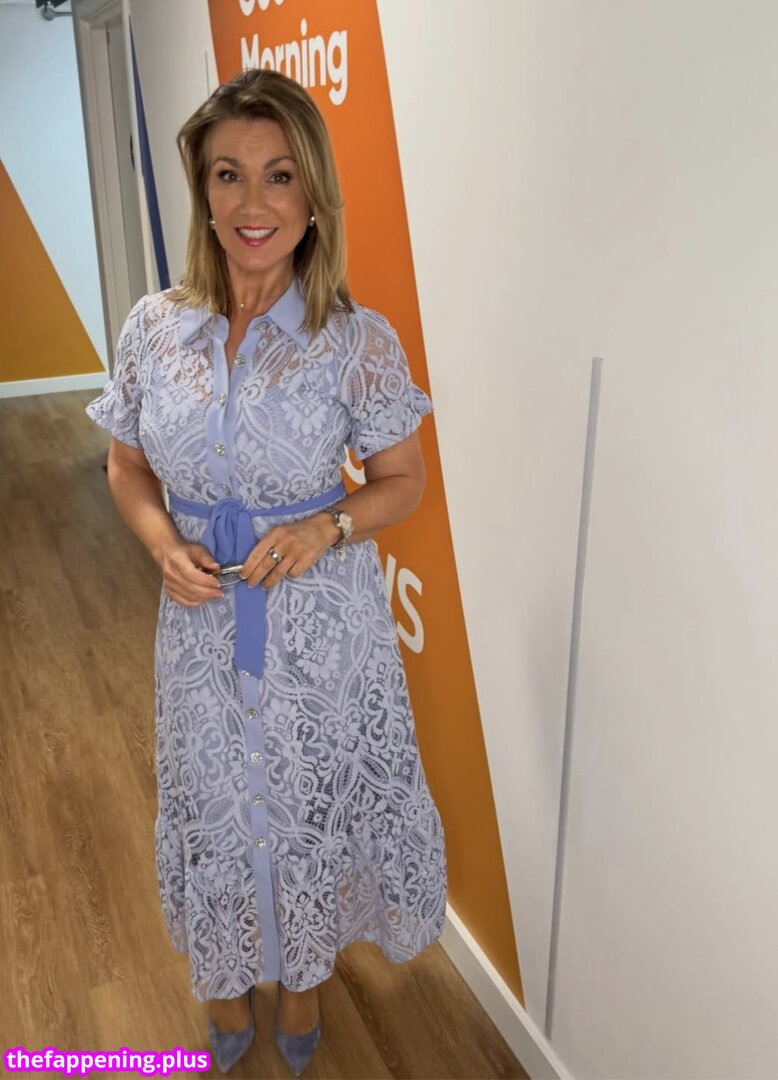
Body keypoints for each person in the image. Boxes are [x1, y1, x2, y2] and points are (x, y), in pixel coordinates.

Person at [85, 67, 447, 1075]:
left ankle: (301, 984)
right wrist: (162, 545)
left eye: (280, 175)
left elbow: (403, 481)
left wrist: (330, 524)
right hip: (200, 625)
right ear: (202, 191)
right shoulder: (153, 329)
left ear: (312, 193)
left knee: (305, 811)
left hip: (320, 631)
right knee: (213, 806)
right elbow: (125, 466)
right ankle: (223, 974)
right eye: (228, 174)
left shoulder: (355, 341)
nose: (254, 203)